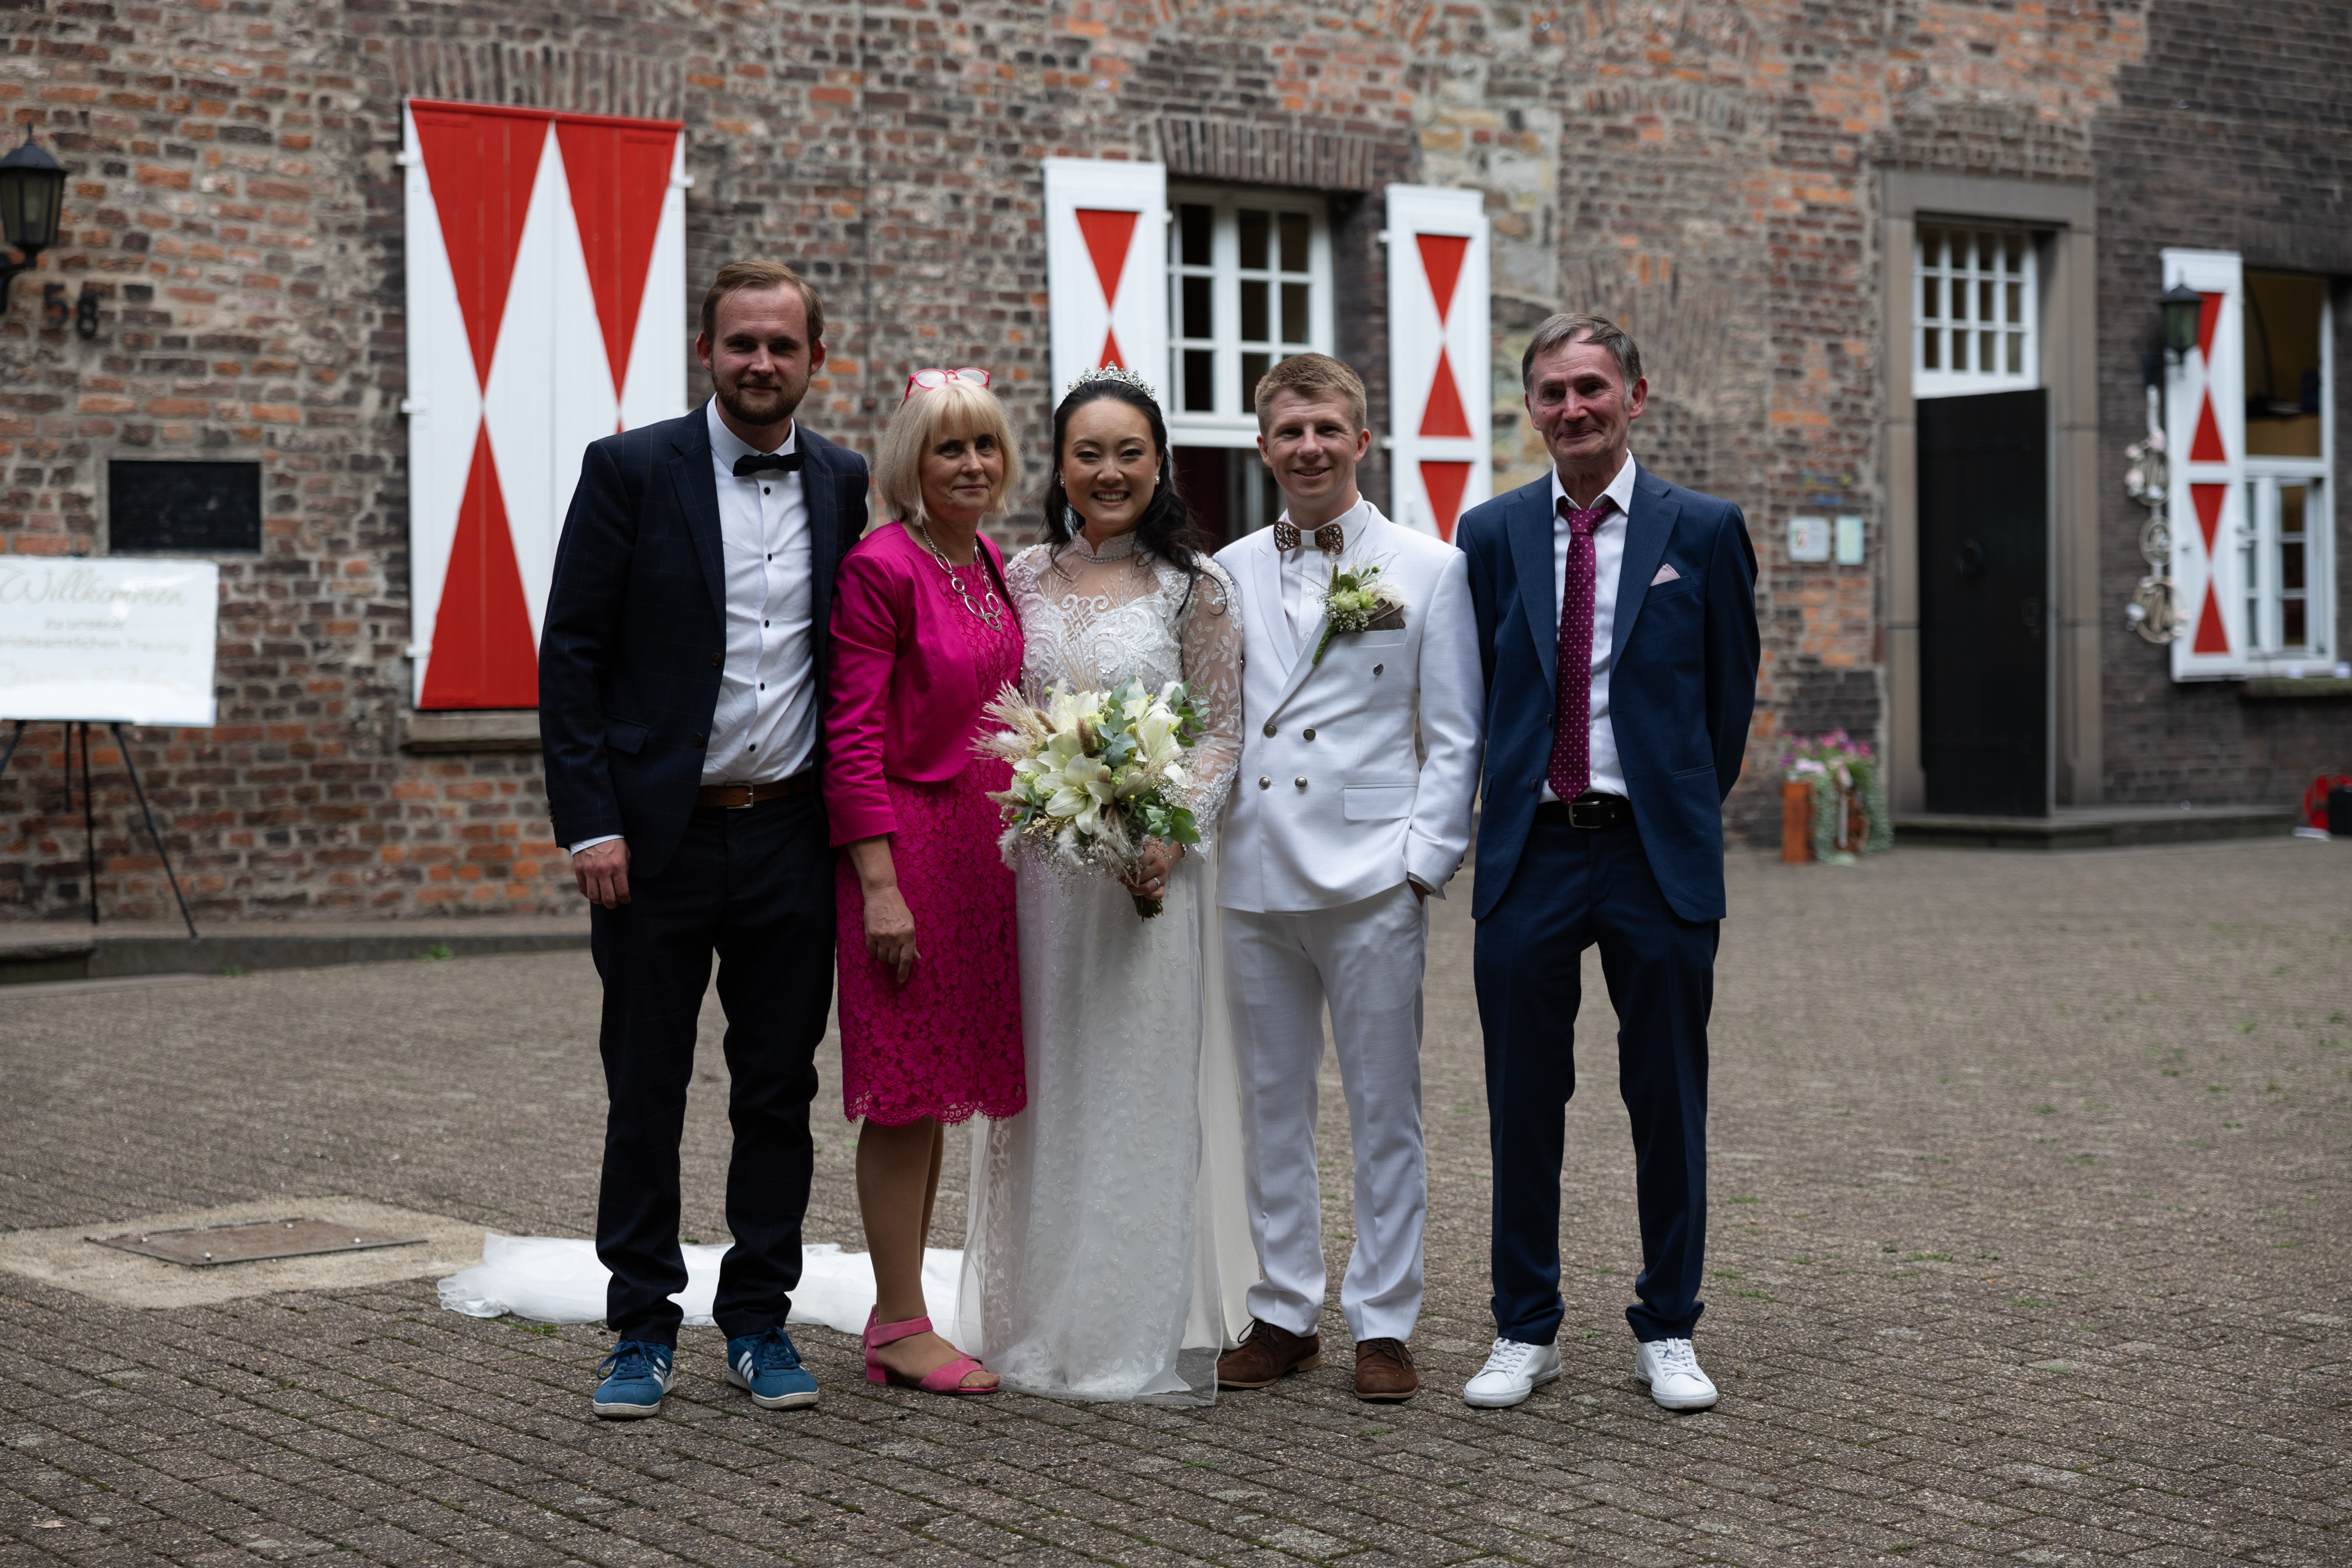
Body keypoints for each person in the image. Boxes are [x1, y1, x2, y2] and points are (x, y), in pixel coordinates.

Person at [539, 260, 868, 1419]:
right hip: (652, 844)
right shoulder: (630, 469)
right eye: (742, 343)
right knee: (646, 1087)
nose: (761, 363)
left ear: (815, 357)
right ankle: (640, 1326)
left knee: (779, 1090)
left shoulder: (844, 479)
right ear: (706, 351)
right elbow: (572, 653)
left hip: (791, 836)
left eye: (782, 345)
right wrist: (591, 822)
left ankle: (759, 1320)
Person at [1453, 313, 1759, 1413]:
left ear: (1636, 394)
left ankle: (1668, 1326)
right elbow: (1475, 694)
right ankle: (1524, 1327)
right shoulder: (1489, 534)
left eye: (1591, 387)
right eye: (1552, 391)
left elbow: (1728, 703)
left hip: (1652, 856)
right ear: (1531, 407)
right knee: (1521, 1103)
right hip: (1529, 852)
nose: (1573, 408)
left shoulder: (1705, 530)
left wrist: (1672, 809)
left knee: (1667, 1098)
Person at [949, 366, 1256, 1404]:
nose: (1110, 471)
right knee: (1044, 1083)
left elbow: (1219, 736)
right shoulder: (1020, 576)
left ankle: (1124, 1325)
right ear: (1061, 466)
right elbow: (999, 714)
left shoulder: (1196, 588)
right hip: (1037, 880)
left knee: (1134, 1088)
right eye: (1090, 453)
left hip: (1145, 881)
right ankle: (1036, 1318)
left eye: (1130, 452)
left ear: (1160, 464)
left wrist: (1170, 834)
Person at [1208, 353, 1485, 1404]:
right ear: (1263, 447)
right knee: (1271, 1104)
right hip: (1254, 871)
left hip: (1373, 875)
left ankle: (1385, 1321)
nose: (1310, 447)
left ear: (1362, 440)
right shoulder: (1226, 570)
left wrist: (1423, 864)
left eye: (1328, 429)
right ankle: (1285, 1310)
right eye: (1290, 431)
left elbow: (1454, 735)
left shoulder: (1430, 567)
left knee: (1385, 1107)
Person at [823, 369, 1028, 1396]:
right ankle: (899, 1326)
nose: (972, 465)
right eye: (950, 448)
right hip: (908, 850)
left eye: (986, 445)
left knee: (941, 1086)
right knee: (904, 1090)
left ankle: (904, 1306)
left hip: (978, 850)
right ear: (912, 460)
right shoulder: (881, 566)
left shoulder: (982, 557)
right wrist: (879, 885)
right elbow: (849, 736)